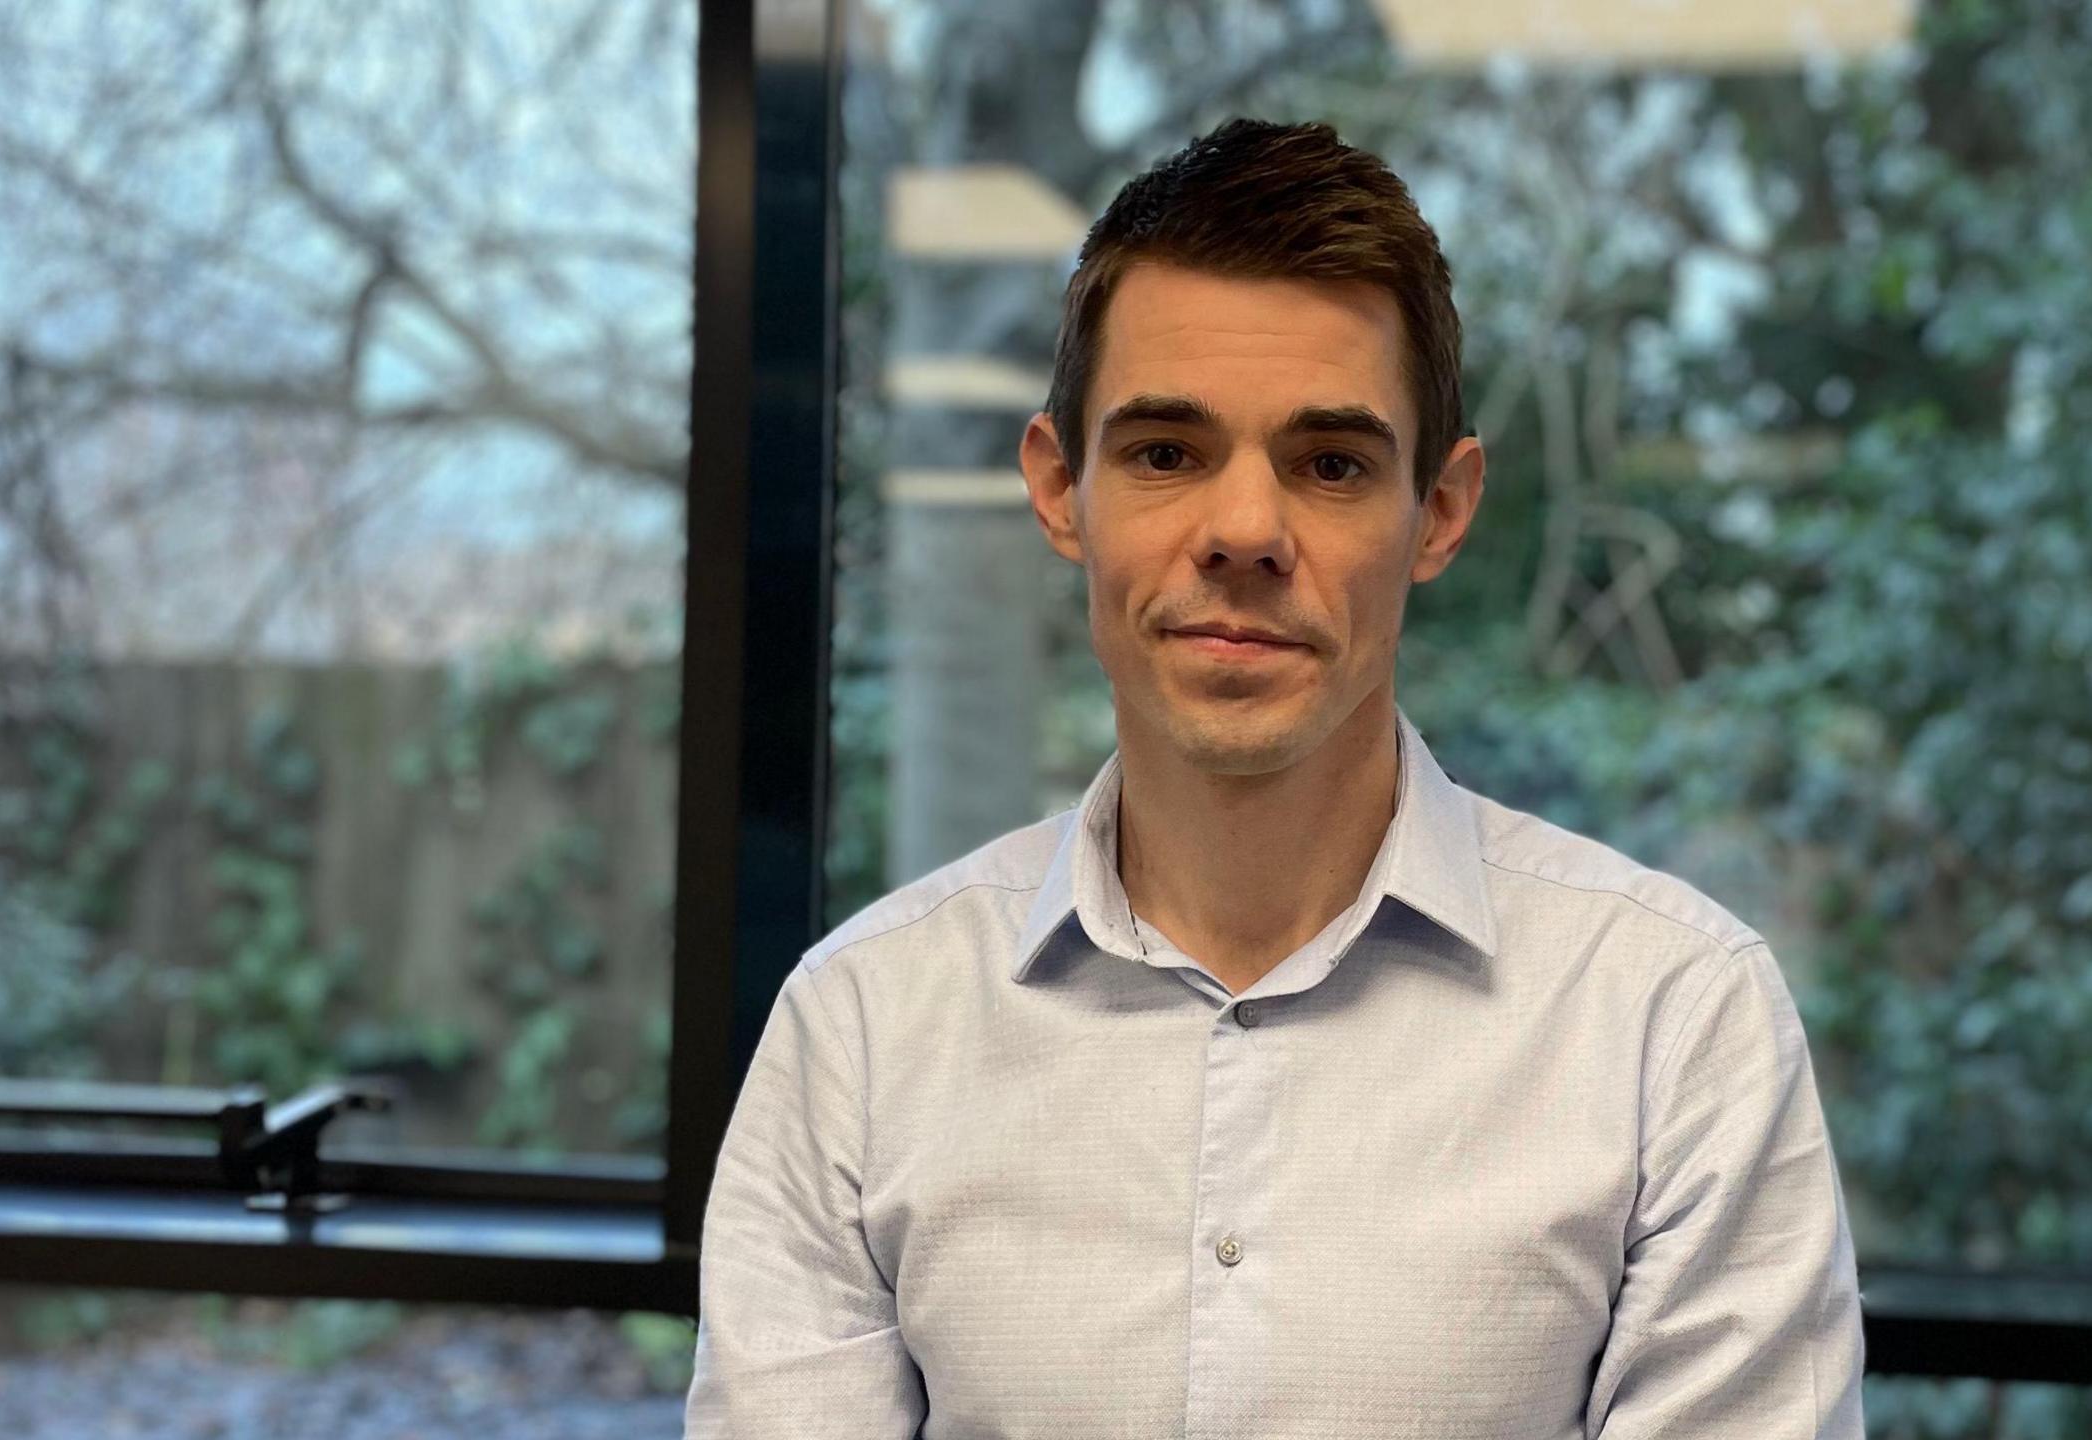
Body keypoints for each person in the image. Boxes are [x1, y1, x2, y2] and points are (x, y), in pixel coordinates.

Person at [685, 116, 1865, 1439]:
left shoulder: (1672, 1023)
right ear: (1060, 488)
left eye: (1331, 464)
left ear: (1443, 512)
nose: (1246, 532)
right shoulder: (860, 1030)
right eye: (1167, 452)